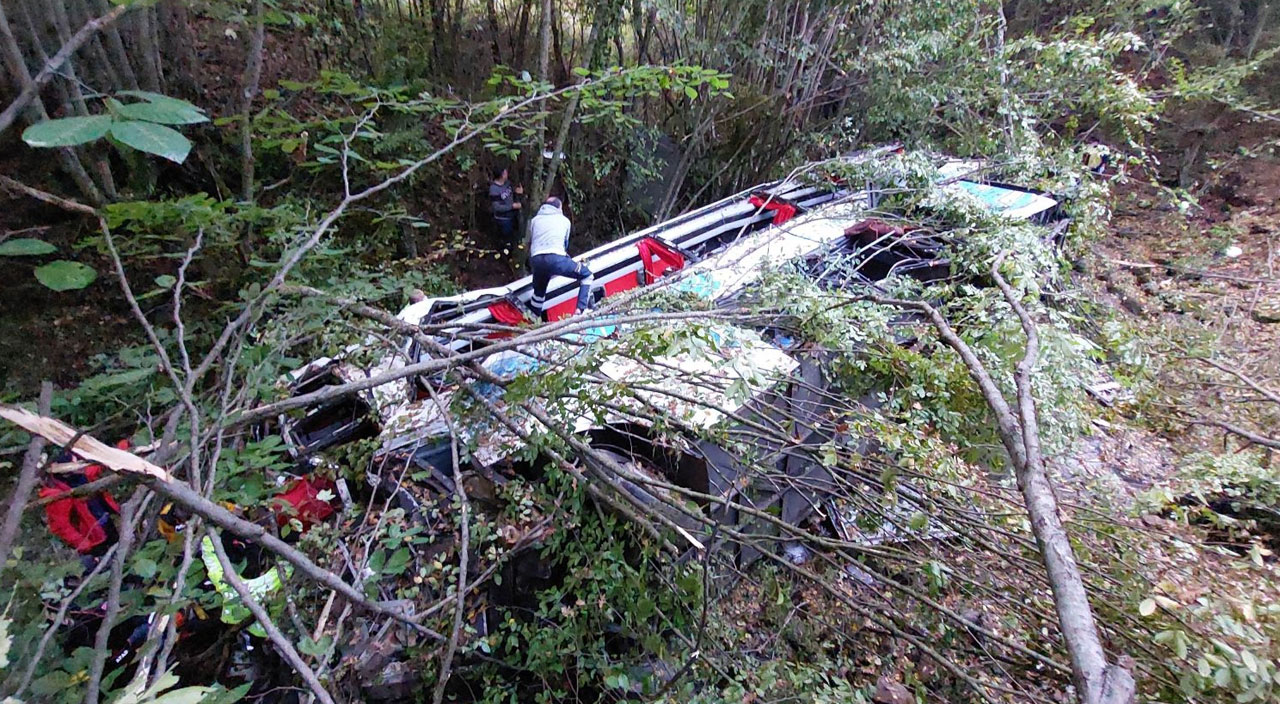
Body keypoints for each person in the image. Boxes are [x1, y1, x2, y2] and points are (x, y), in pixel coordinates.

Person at [528, 197, 592, 320]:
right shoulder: (564, 221)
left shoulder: (534, 221)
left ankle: (533, 320)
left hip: (536, 259)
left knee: (539, 292)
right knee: (587, 275)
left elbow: (533, 240)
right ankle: (580, 311)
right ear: (558, 208)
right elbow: (564, 245)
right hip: (556, 258)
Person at [488, 166, 522, 242]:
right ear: (501, 175)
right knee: (506, 238)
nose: (507, 174)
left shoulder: (507, 183)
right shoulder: (494, 189)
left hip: (512, 215)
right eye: (505, 173)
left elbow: (511, 191)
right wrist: (512, 206)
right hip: (503, 219)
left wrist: (517, 191)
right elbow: (497, 207)